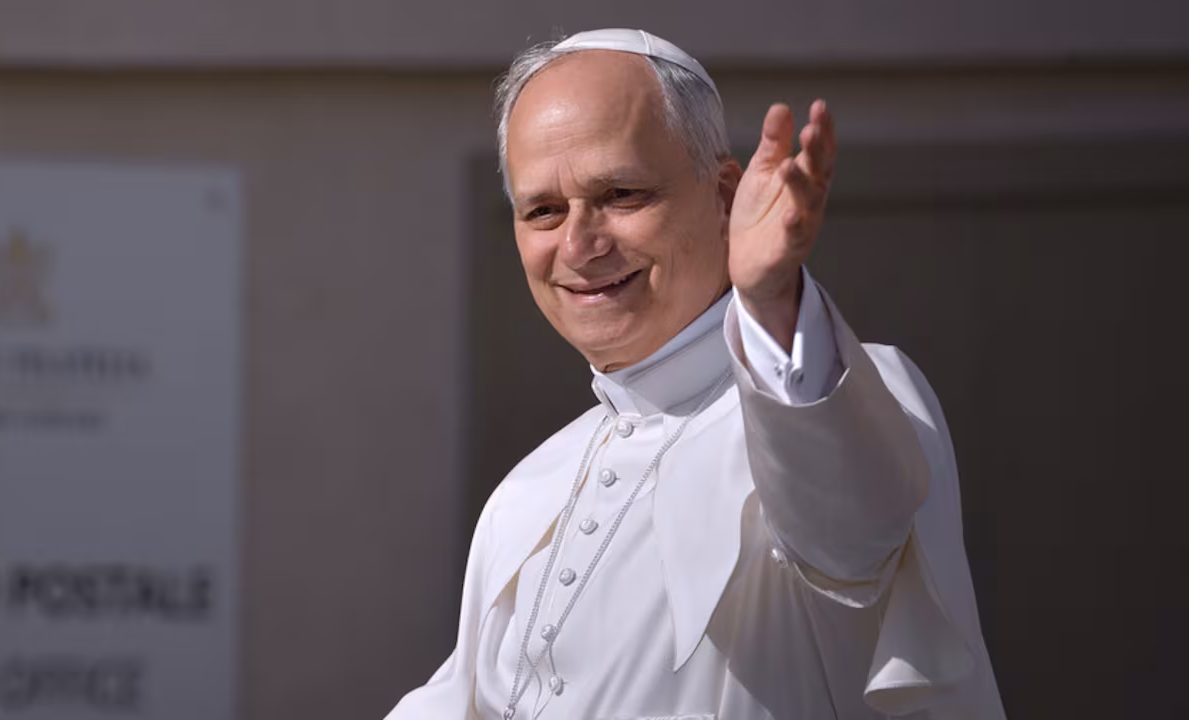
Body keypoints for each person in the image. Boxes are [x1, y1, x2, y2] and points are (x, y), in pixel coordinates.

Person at [387, 28, 1004, 720]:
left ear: (725, 196)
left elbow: (851, 532)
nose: (579, 244)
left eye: (621, 193)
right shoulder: (526, 493)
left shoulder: (836, 389)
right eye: (543, 211)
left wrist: (772, 302)